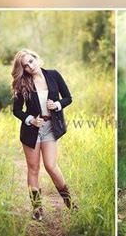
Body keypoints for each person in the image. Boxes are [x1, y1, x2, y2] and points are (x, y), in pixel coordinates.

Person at [11, 49, 78, 221]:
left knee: (51, 166)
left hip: (51, 127)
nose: (30, 67)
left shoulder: (54, 75)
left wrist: (57, 104)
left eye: (31, 61)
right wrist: (30, 119)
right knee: (33, 168)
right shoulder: (22, 83)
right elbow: (16, 110)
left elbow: (68, 98)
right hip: (31, 130)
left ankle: (70, 202)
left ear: (36, 58)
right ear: (23, 69)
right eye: (25, 66)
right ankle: (37, 209)